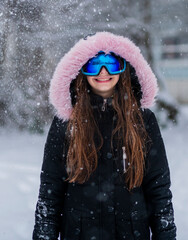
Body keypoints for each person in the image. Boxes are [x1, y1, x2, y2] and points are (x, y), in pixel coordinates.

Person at [32, 32, 176, 240]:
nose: (103, 72)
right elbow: (49, 192)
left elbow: (159, 189)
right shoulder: (66, 122)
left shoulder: (143, 120)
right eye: (93, 65)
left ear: (124, 67)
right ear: (81, 70)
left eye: (111, 63)